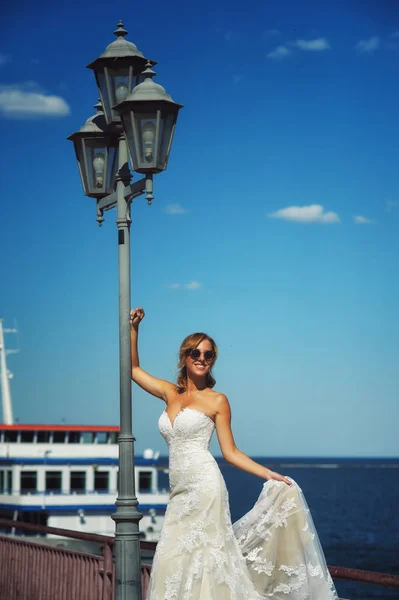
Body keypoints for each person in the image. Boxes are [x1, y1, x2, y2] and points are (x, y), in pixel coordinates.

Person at [130, 308, 338, 600]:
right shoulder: (169, 392)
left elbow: (230, 452)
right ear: (184, 357)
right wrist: (134, 329)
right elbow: (133, 370)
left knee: (205, 561)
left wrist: (269, 474)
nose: (202, 358)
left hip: (206, 487)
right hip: (178, 492)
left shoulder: (217, 400)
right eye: (196, 353)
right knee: (173, 559)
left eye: (209, 355)